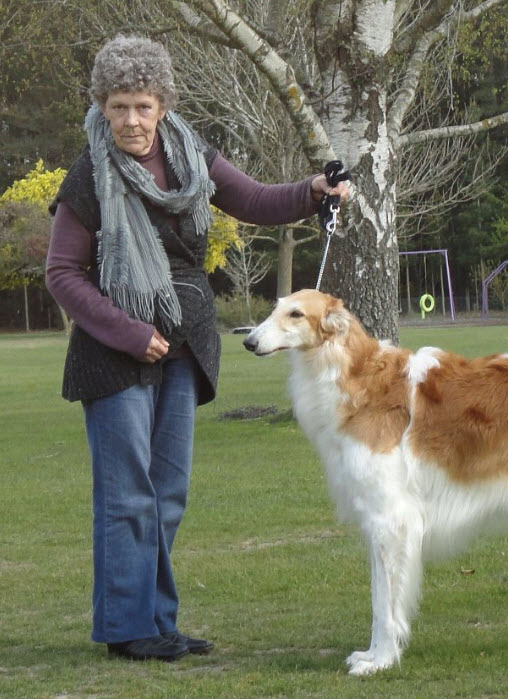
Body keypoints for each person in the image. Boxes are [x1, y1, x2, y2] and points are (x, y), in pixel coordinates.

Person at [45, 35, 349, 662]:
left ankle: (158, 623)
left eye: (144, 105)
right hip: (114, 352)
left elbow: (257, 200)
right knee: (128, 496)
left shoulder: (191, 154)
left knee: (168, 493)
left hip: (183, 344)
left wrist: (314, 190)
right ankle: (127, 631)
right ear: (102, 105)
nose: (132, 119)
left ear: (163, 105)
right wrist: (130, 332)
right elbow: (63, 276)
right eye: (120, 105)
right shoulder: (88, 175)